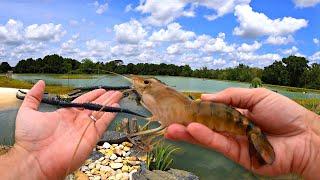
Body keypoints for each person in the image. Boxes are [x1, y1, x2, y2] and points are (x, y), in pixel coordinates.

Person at [0, 81, 319, 179]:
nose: (140, 86)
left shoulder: (189, 106)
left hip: (227, 121)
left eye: (147, 84)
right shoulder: (167, 104)